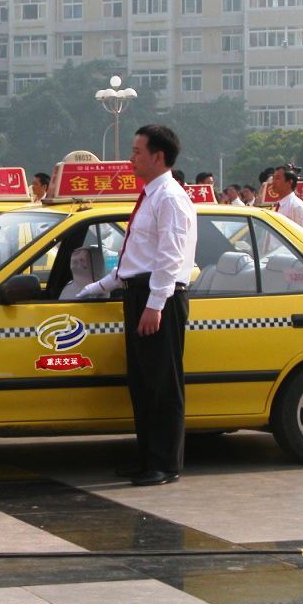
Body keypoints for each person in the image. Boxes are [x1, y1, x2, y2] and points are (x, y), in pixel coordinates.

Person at [78, 125, 197, 486]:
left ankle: (165, 463)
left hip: (158, 296)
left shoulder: (170, 198)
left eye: (137, 152)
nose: (132, 158)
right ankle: (147, 458)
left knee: (162, 383)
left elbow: (169, 257)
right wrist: (99, 286)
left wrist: (155, 304)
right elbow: (135, 258)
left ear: (158, 157)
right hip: (139, 293)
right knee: (142, 383)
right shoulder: (150, 195)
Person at [271, 167, 303, 231]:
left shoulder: (296, 206)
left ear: (289, 182)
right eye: (273, 178)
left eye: (277, 178)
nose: (273, 182)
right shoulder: (276, 205)